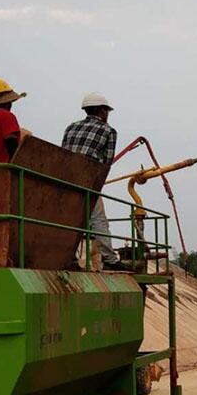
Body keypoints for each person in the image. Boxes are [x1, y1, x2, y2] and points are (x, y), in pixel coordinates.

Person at [62, 92, 119, 268]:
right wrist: (97, 188)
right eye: (107, 111)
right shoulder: (109, 131)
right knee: (98, 219)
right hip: (88, 180)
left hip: (65, 179)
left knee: (69, 219)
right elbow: (106, 164)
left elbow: (62, 153)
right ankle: (110, 260)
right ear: (102, 111)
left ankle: (67, 257)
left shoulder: (71, 127)